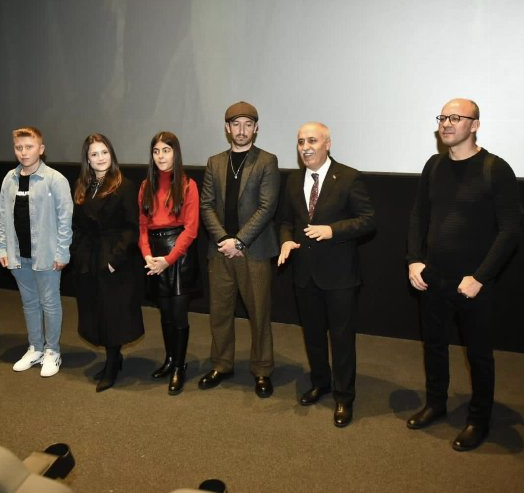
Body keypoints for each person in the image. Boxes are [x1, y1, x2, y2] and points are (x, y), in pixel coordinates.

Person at [406, 98, 522, 451]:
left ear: (475, 125)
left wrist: (480, 277)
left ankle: (479, 419)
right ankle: (436, 403)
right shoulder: (433, 165)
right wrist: (414, 260)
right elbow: (418, 216)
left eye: (456, 117)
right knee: (434, 346)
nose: (446, 123)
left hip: (473, 283)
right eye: (443, 117)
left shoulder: (494, 168)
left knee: (479, 355)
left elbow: (511, 230)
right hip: (433, 278)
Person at [277, 122, 375, 427]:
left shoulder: (349, 177)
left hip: (339, 276)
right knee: (313, 336)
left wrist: (332, 230)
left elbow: (368, 220)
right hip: (304, 274)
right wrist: (285, 241)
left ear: (327, 144)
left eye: (312, 141)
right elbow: (286, 221)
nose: (305, 147)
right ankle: (321, 382)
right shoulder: (293, 180)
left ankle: (344, 397)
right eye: (301, 142)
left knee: (342, 339)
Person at [198, 101, 280, 398]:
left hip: (253, 251)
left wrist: (240, 241)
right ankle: (222, 364)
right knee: (220, 312)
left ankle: (262, 369)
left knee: (259, 313)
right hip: (220, 251)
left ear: (256, 128)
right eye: (236, 124)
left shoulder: (267, 161)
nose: (241, 130)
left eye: (247, 124)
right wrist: (224, 239)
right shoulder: (214, 162)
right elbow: (206, 205)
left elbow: (267, 207)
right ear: (227, 128)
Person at [0, 127, 73, 377]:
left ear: (41, 149)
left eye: (29, 147)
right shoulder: (9, 179)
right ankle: (35, 348)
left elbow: (65, 220)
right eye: (19, 147)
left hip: (47, 255)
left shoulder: (55, 180)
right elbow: (3, 216)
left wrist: (62, 253)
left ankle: (52, 351)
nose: (24, 152)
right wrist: (1, 246)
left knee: (49, 303)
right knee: (29, 303)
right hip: (18, 255)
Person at [71, 133, 145, 392]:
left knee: (114, 313)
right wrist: (77, 252)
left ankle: (113, 362)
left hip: (114, 258)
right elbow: (77, 224)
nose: (100, 158)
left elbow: (132, 227)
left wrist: (115, 259)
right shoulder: (82, 186)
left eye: (104, 152)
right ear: (87, 160)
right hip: (89, 258)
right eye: (94, 154)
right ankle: (112, 358)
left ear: (111, 154)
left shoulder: (125, 185)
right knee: (95, 310)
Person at [139, 131, 200, 395]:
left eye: (166, 150)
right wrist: (147, 255)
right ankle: (170, 358)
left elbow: (191, 229)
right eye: (156, 151)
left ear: (176, 153)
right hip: (154, 256)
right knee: (164, 314)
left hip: (178, 256)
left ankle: (179, 366)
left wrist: (168, 260)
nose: (161, 156)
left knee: (178, 314)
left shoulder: (188, 185)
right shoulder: (146, 186)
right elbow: (142, 226)